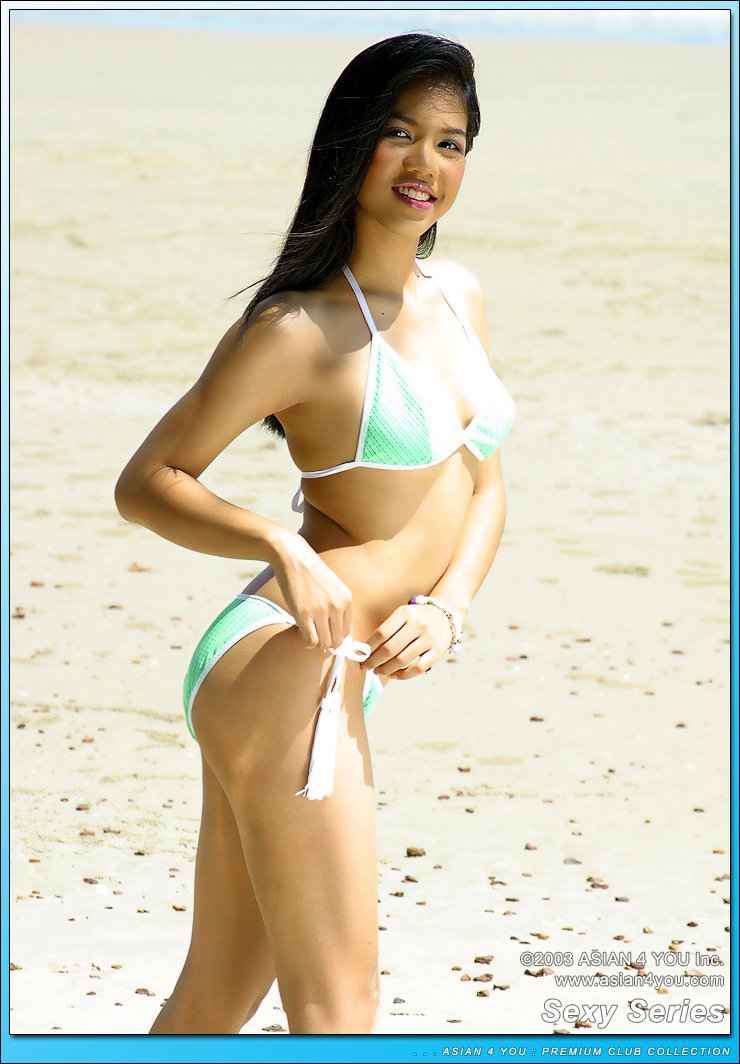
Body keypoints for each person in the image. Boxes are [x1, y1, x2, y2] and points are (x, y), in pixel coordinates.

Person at [114, 31, 516, 1036]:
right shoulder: (298, 328)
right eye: (399, 133)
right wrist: (280, 544)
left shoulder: (458, 298)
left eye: (451, 143)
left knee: (214, 1000)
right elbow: (148, 482)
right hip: (292, 662)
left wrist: (449, 605)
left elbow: (485, 482)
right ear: (352, 142)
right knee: (339, 1012)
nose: (425, 163)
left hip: (332, 669)